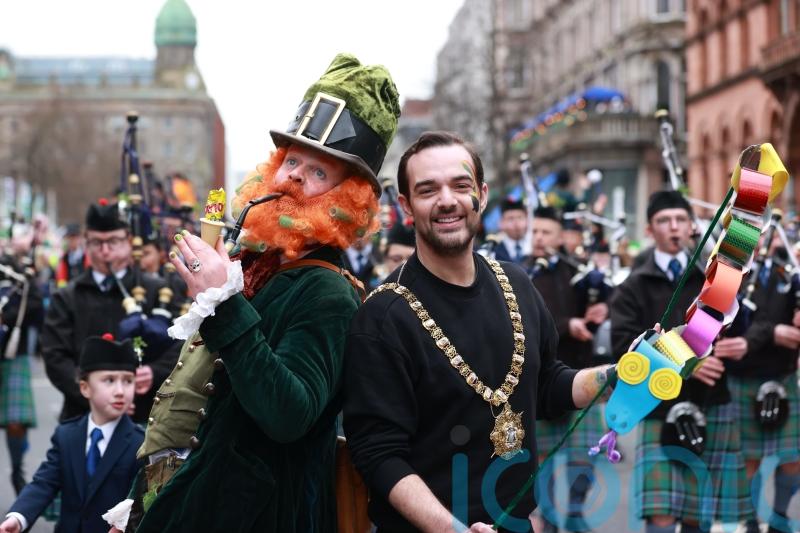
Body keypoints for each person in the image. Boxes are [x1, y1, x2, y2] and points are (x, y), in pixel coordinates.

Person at [119, 53, 399, 533]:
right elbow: (188, 399)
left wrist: (223, 305)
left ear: (347, 199)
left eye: (317, 172)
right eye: (291, 160)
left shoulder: (328, 292)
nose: (292, 176)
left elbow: (289, 414)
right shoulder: (257, 264)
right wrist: (136, 502)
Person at [343, 131, 616, 532]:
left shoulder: (517, 284)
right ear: (405, 206)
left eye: (460, 185)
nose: (447, 200)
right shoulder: (383, 316)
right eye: (427, 190)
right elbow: (378, 454)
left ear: (482, 195)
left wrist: (616, 374)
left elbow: (547, 385)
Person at [609, 191, 751, 533]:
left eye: (680, 220)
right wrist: (690, 366)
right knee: (660, 515)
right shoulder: (633, 287)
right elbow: (624, 348)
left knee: (698, 514)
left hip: (712, 404)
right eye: (663, 221)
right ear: (649, 229)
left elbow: (740, 325)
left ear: (692, 227)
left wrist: (742, 343)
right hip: (659, 407)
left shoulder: (712, 279)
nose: (673, 227)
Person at [40, 200, 181, 423]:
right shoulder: (67, 297)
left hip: (145, 416)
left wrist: (154, 372)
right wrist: (94, 396)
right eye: (97, 242)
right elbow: (55, 356)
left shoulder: (157, 290)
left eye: (113, 241)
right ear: (86, 243)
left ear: (128, 241)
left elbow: (181, 343)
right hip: (82, 416)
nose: (105, 251)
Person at [0, 333, 143, 533]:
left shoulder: (141, 442)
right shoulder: (67, 435)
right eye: (109, 380)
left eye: (128, 381)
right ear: (85, 388)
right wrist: (18, 517)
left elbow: (142, 501)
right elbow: (44, 483)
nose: (120, 390)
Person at [527, 206, 608, 533]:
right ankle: (548, 520)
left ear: (561, 238)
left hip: (581, 375)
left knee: (585, 457)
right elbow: (529, 321)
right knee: (543, 461)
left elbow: (599, 304)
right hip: (541, 381)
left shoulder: (576, 273)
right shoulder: (520, 273)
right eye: (535, 232)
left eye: (546, 232)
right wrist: (566, 324)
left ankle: (575, 511)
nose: (539, 238)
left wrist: (602, 305)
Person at [717, 241, 800, 533]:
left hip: (782, 374)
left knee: (793, 458)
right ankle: (750, 519)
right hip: (744, 374)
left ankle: (778, 516)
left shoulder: (787, 273)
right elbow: (736, 320)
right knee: (748, 460)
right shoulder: (726, 272)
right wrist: (772, 333)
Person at [0, 250, 44, 495]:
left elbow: (36, 307)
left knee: (15, 424)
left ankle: (17, 471)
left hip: (11, 355)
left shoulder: (14, 271)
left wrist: (5, 317)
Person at [493, 198, 530, 264]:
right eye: (510, 218)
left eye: (520, 217)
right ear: (501, 223)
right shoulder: (493, 251)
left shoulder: (535, 246)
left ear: (527, 221)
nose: (516, 223)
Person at [55, 223, 88, 288]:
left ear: (79, 238)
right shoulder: (64, 259)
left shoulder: (86, 257)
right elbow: (61, 280)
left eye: (74, 238)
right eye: (69, 238)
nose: (71, 241)